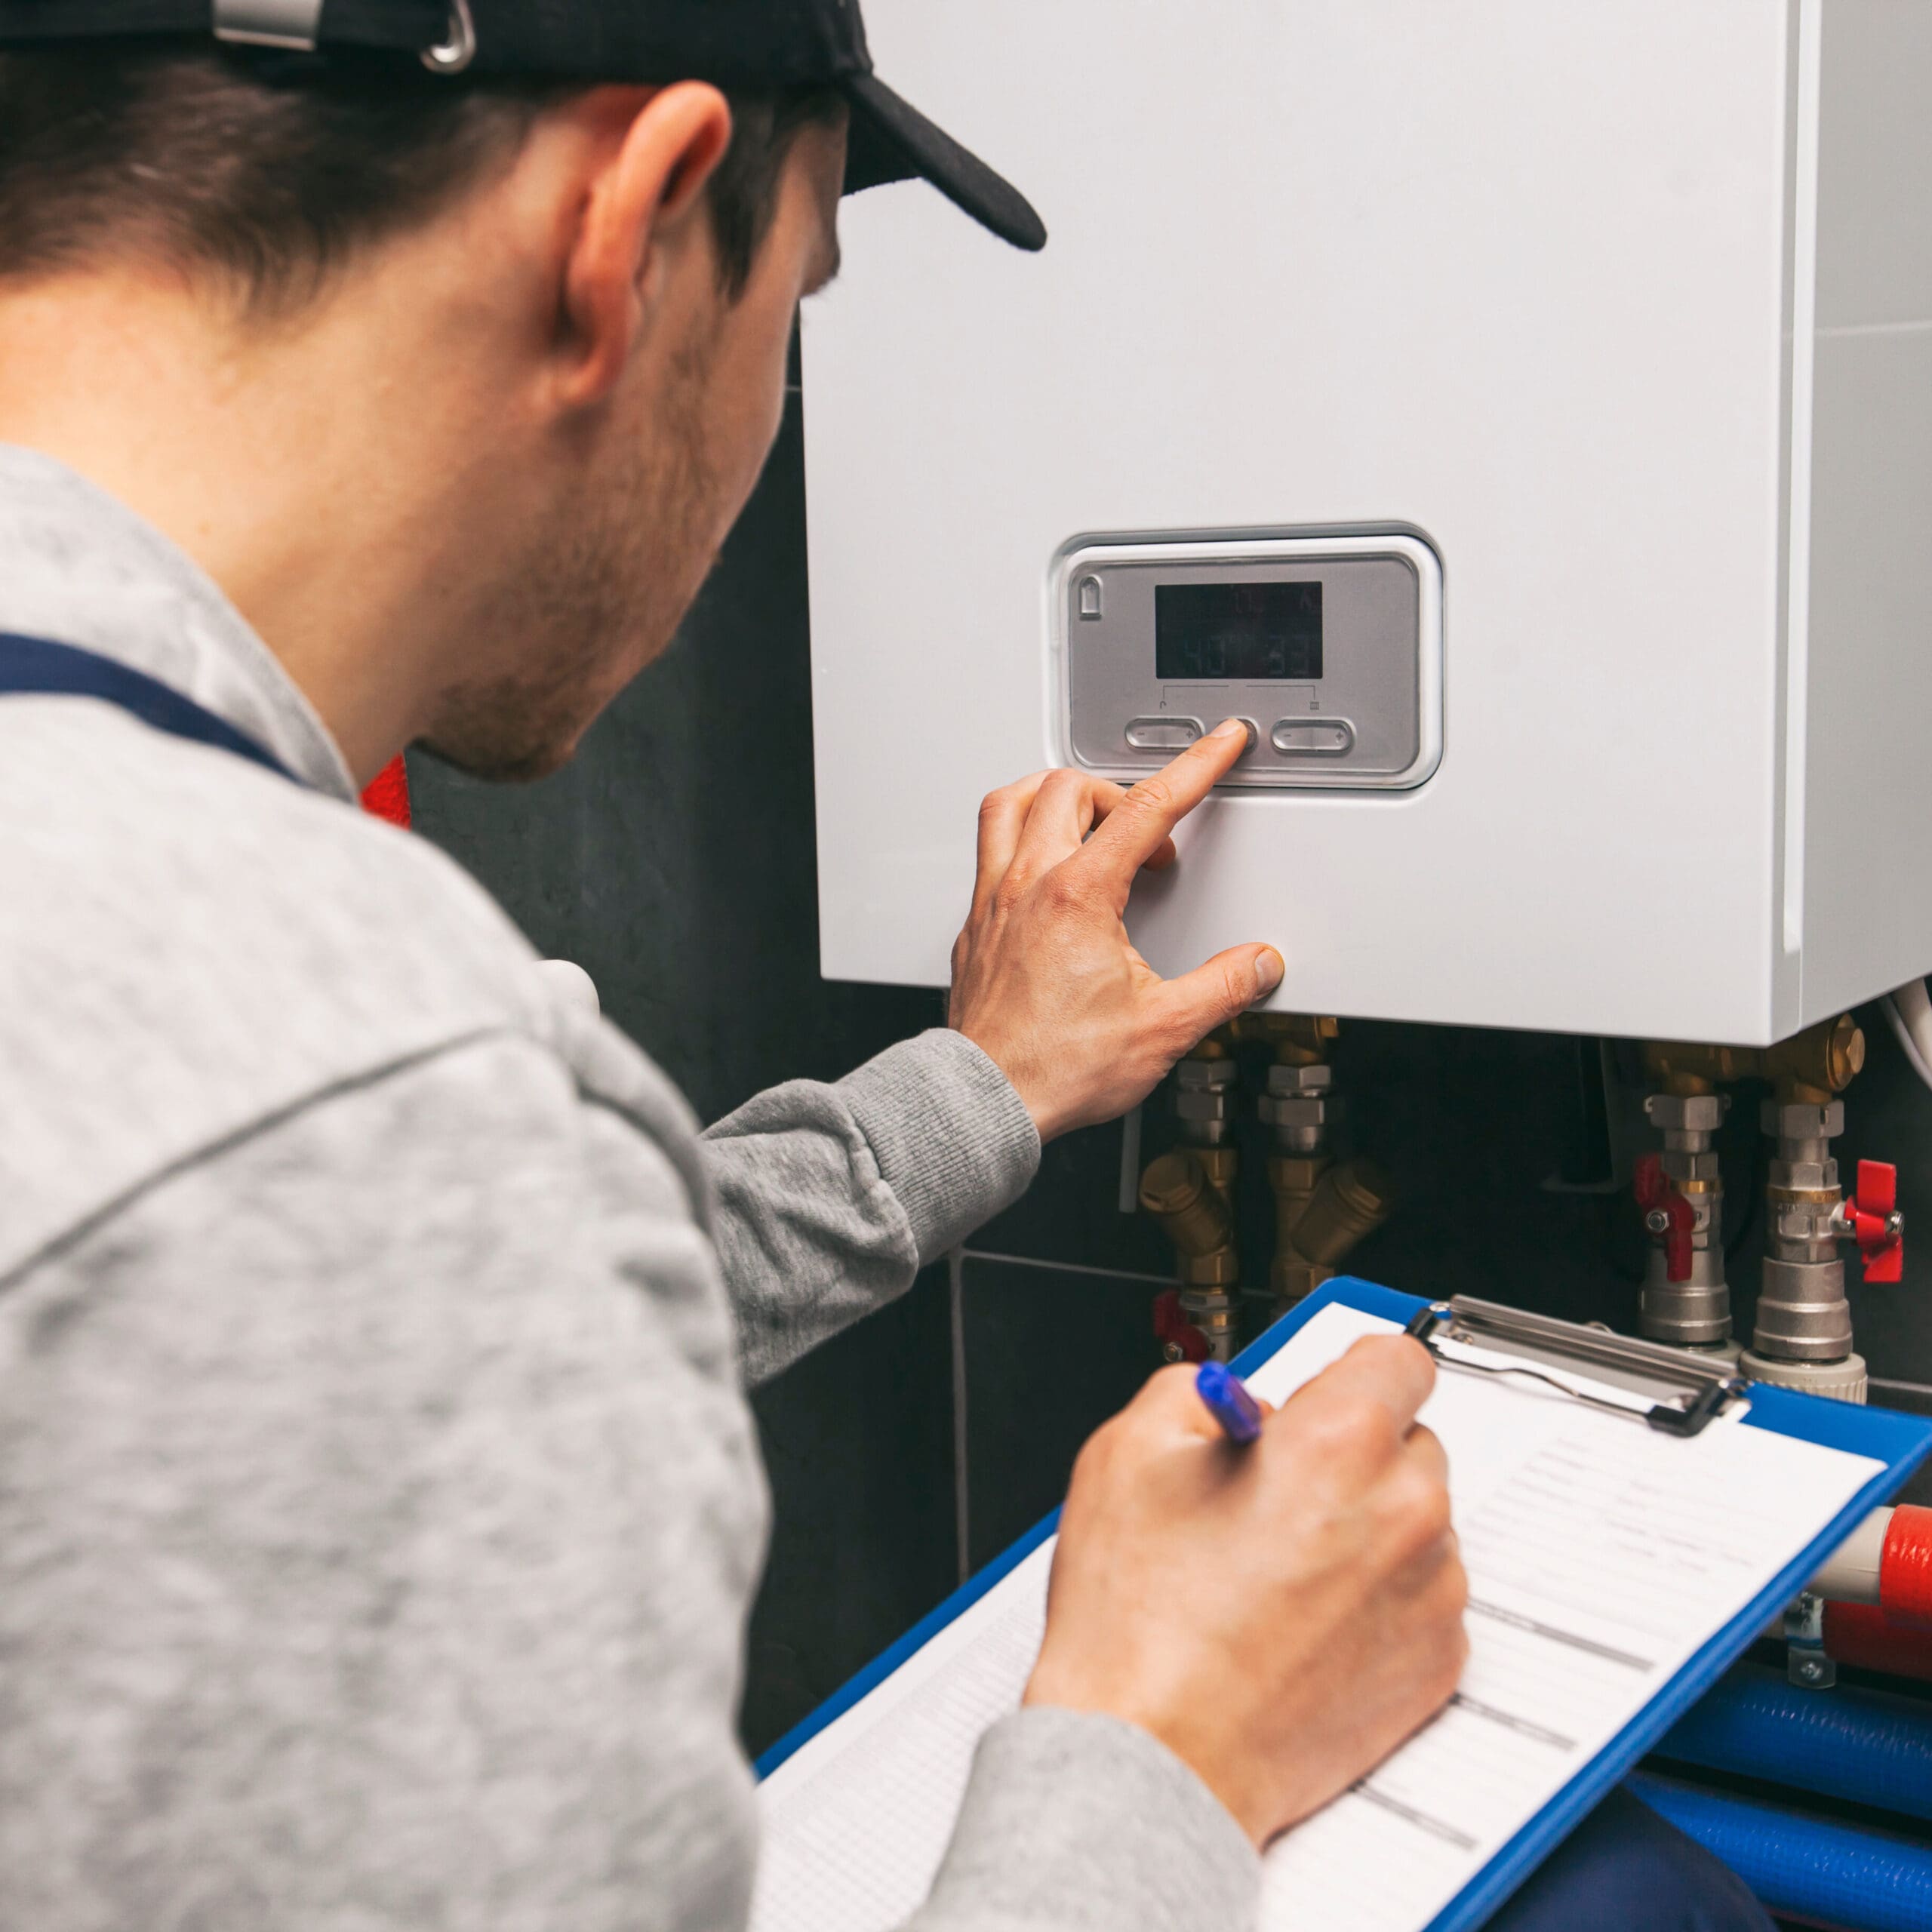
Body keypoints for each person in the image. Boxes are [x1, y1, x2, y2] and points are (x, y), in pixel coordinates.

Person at [0, 5, 1770, 1930]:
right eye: (804, 297)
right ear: (638, 217)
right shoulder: (371, 1111)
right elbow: (375, 1215)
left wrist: (976, 1086)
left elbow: (361, 1289)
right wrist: (1170, 1741)